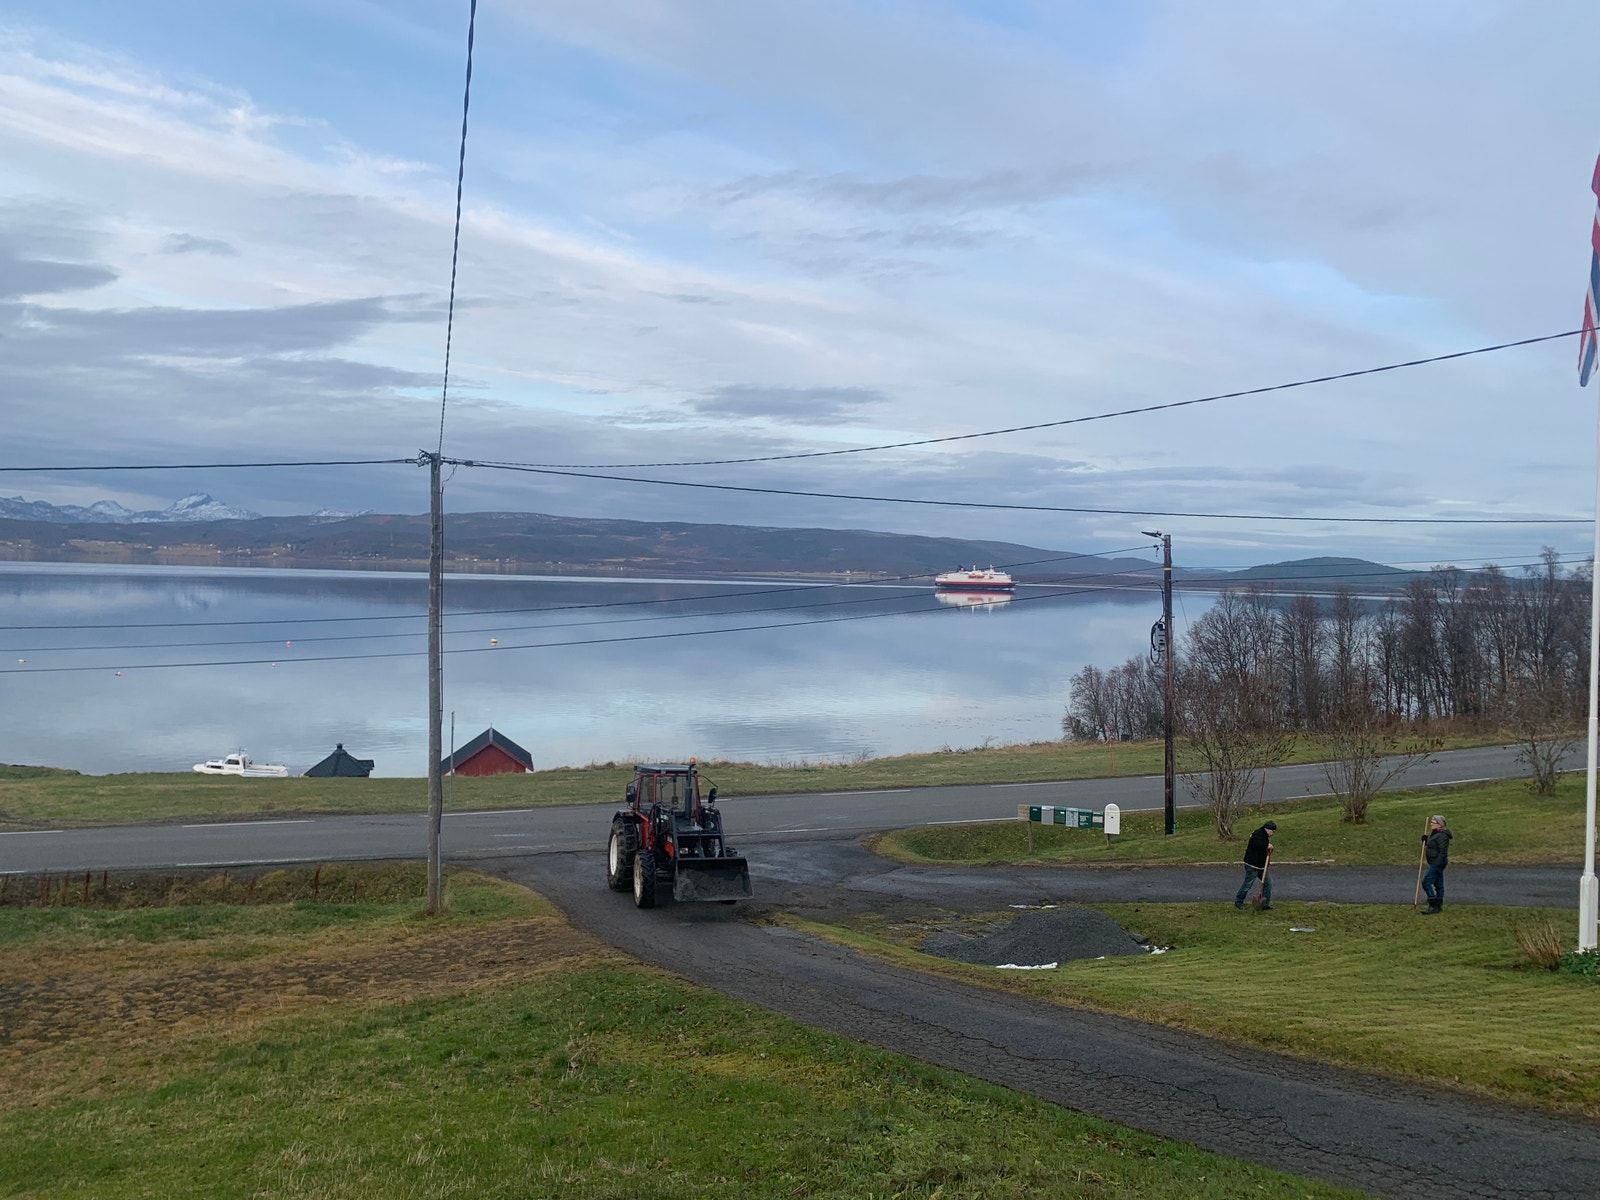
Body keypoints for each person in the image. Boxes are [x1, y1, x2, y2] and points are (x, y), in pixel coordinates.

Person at [1234, 819, 1275, 910]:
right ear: (1268, 829)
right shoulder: (1257, 834)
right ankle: (1238, 902)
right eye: (1273, 831)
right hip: (1252, 865)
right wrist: (1267, 845)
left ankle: (1265, 903)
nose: (1273, 833)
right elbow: (1258, 843)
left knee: (1268, 883)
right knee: (1248, 884)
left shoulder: (1264, 836)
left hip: (1261, 866)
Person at [1421, 815, 1451, 914]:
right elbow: (1433, 846)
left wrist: (1437, 864)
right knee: (1438, 884)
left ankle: (1432, 904)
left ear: (1439, 824)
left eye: (1433, 822)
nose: (1431, 824)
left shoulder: (1442, 836)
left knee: (1426, 882)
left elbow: (1443, 852)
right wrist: (1426, 841)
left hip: (1437, 863)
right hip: (1434, 862)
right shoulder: (1435, 833)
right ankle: (1438, 905)